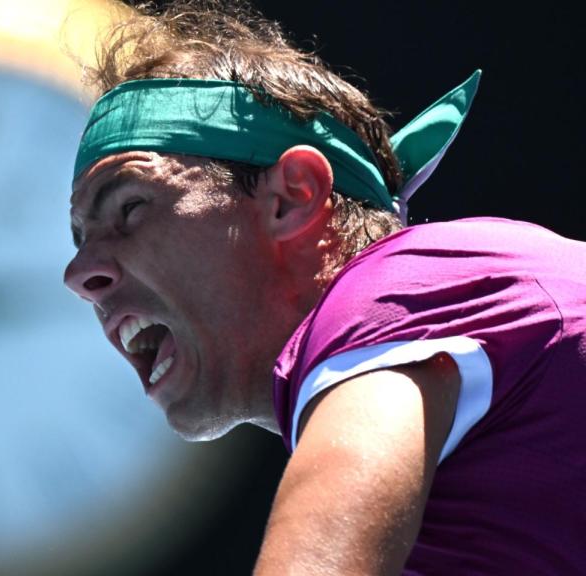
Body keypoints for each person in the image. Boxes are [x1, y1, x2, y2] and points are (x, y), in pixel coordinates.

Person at [62, 1, 586, 574]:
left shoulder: (394, 296)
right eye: (78, 238)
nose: (79, 275)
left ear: (292, 197)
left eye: (131, 207)